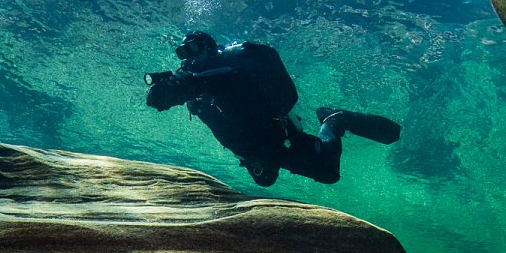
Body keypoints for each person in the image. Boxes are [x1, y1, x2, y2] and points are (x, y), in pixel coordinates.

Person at [145, 31, 401, 187]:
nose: (188, 57)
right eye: (182, 52)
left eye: (193, 48)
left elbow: (222, 78)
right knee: (265, 180)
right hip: (256, 147)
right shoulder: (199, 85)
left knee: (328, 173)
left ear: (210, 47)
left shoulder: (230, 69)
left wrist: (189, 84)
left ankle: (333, 119)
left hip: (279, 135)